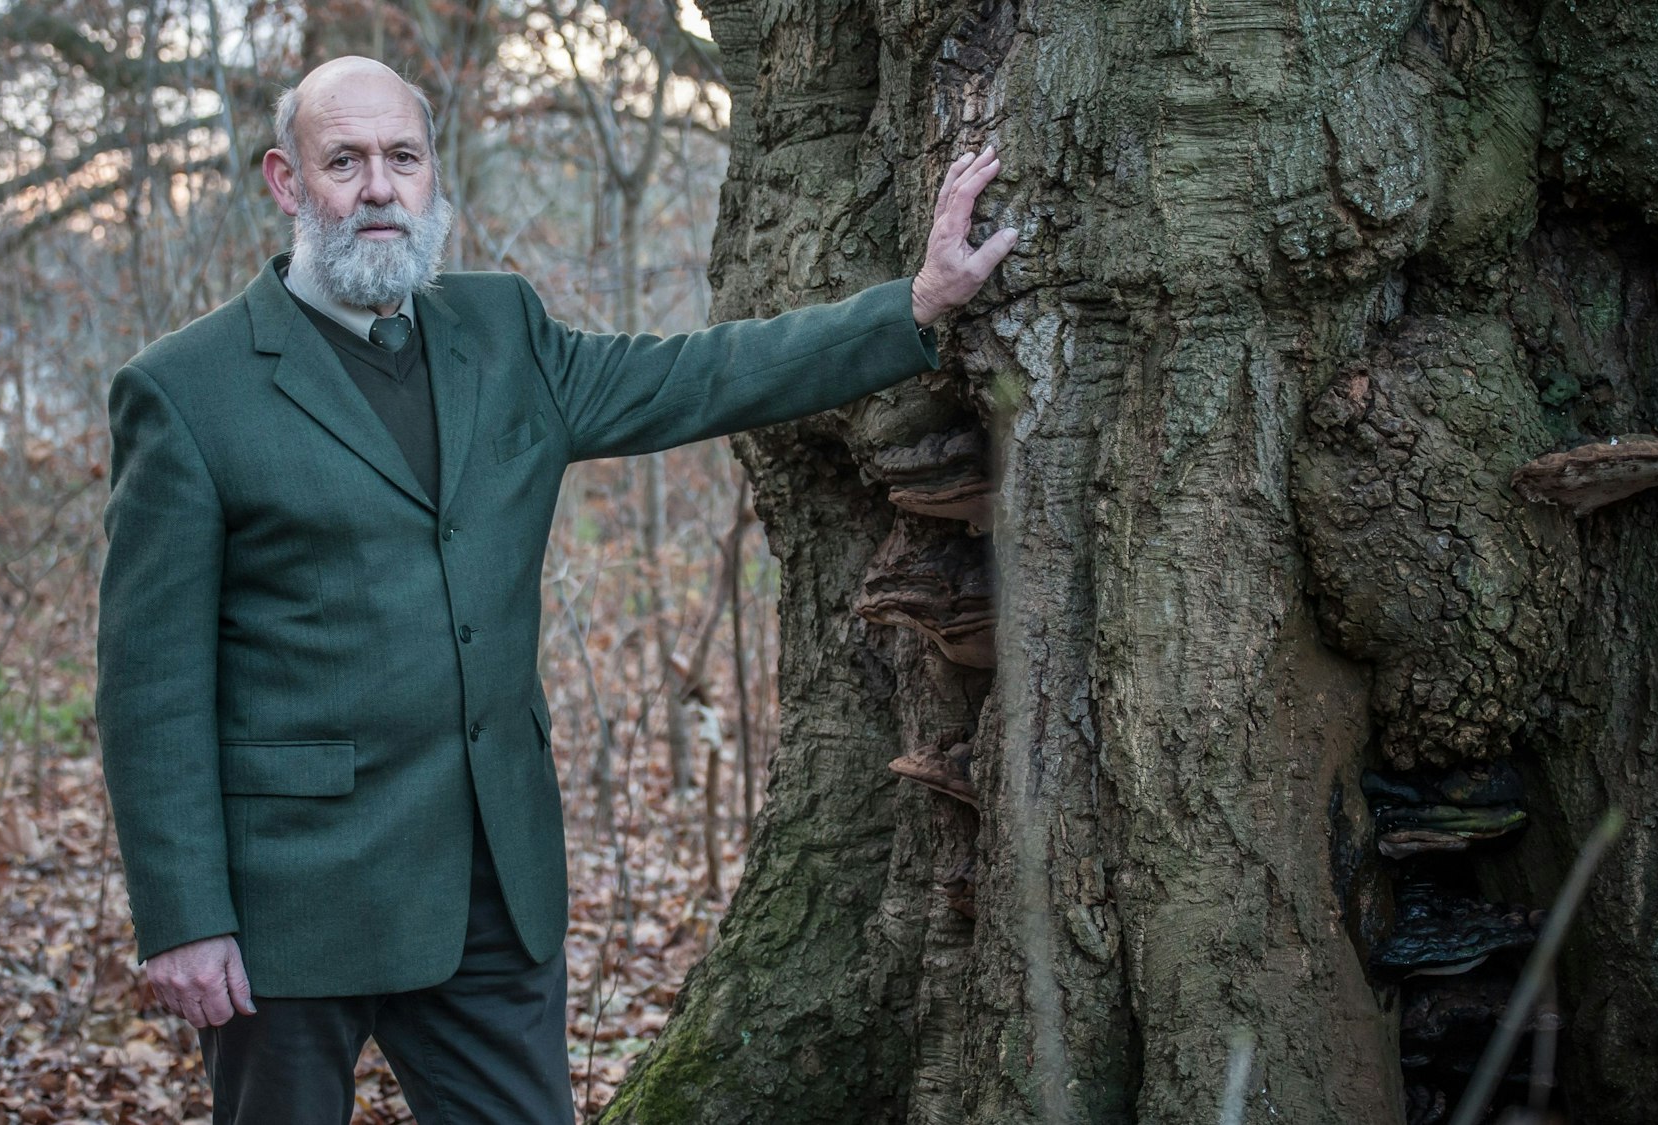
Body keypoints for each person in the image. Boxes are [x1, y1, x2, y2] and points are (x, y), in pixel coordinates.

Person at [96, 54, 1016, 1125]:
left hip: (491, 887)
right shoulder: (186, 391)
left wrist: (913, 304)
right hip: (288, 906)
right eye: (343, 163)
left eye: (403, 157)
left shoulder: (503, 335)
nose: (380, 188)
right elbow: (147, 686)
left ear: (434, 173)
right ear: (285, 183)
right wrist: (183, 917)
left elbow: (697, 376)